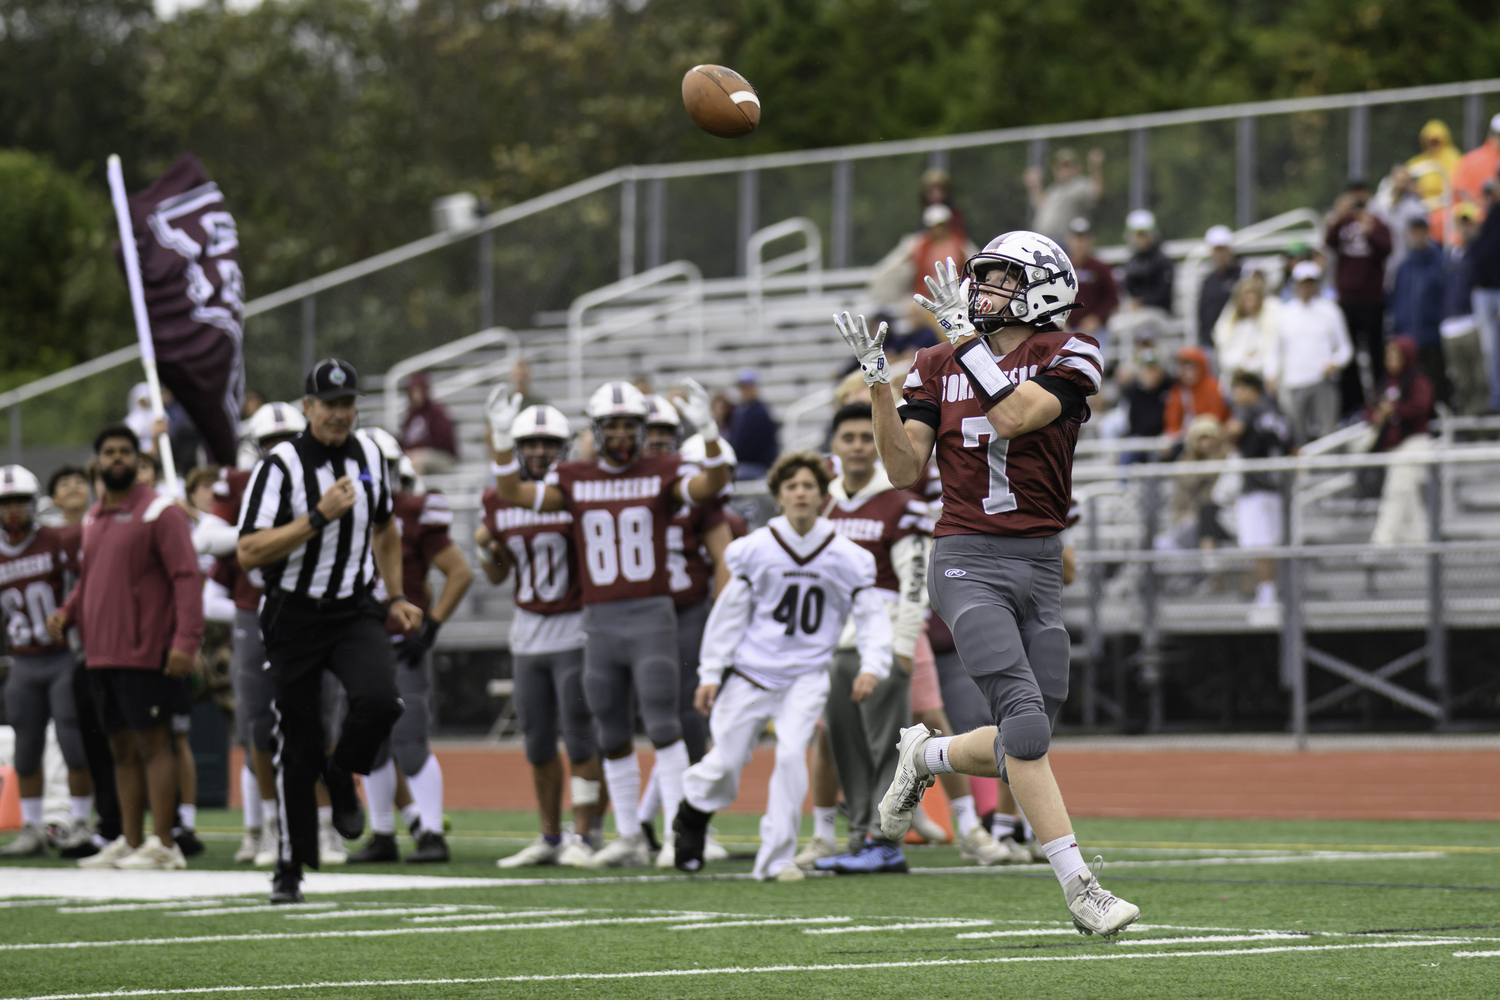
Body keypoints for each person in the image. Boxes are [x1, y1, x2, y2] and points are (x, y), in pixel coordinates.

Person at [837, 229, 1138, 936]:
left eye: (1002, 280)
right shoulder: (937, 362)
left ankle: (928, 753)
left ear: (1044, 290)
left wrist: (966, 342)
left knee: (1025, 734)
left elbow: (1012, 416)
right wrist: (880, 384)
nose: (984, 291)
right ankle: (1082, 889)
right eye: (986, 278)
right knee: (1026, 727)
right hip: (967, 556)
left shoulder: (1071, 351)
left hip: (1038, 562)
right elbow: (906, 470)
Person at [486, 378, 731, 869]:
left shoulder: (663, 468)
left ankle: (681, 835)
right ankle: (629, 834)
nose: (621, 434)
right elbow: (511, 490)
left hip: (650, 615)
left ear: (643, 429)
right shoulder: (575, 476)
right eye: (612, 425)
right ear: (595, 430)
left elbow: (712, 484)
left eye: (629, 425)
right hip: (598, 620)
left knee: (663, 724)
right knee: (610, 729)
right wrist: (498, 440)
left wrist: (707, 431)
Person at [236, 359, 422, 903]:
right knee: (298, 742)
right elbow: (249, 551)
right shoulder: (281, 465)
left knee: (383, 701)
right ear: (307, 407)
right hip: (292, 612)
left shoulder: (369, 453)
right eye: (329, 404)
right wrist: (317, 518)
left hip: (352, 608)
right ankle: (290, 865)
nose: (340, 414)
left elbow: (386, 526)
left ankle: (341, 775)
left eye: (347, 404)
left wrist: (397, 595)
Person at [670, 452, 891, 881]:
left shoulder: (847, 555)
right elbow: (729, 614)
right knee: (725, 765)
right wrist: (711, 672)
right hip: (753, 671)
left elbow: (870, 616)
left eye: (809, 485)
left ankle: (775, 860)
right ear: (778, 496)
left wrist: (873, 664)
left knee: (792, 756)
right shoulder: (753, 549)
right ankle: (692, 814)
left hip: (806, 675)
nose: (801, 493)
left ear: (821, 494)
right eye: (792, 487)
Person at [45, 424, 204, 871]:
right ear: (99, 462)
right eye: (109, 452)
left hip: (145, 652)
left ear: (137, 460)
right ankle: (130, 840)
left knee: (155, 745)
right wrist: (68, 612)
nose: (118, 458)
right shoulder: (94, 517)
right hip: (100, 653)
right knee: (120, 749)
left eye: (125, 452)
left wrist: (185, 641)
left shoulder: (160, 512)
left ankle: (164, 844)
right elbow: (91, 579)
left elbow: (187, 578)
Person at [793, 404, 926, 874]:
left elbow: (915, 578)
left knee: (889, 748)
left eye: (865, 437)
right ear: (832, 445)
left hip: (881, 641)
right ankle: (860, 837)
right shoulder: (819, 501)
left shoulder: (900, 501)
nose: (856, 446)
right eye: (847, 437)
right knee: (844, 747)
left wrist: (904, 642)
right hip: (833, 646)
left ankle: (887, 841)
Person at [481, 404, 605, 868]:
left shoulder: (575, 488)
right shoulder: (498, 499)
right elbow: (496, 575)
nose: (537, 452)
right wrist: (486, 549)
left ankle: (587, 834)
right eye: (529, 445)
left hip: (575, 629)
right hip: (527, 633)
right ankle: (550, 835)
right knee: (536, 742)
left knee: (580, 738)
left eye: (547, 444)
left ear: (562, 448)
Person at [349, 431, 473, 864]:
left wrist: (431, 626)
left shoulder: (414, 511)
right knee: (372, 742)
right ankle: (383, 833)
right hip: (358, 642)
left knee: (408, 738)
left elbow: (459, 572)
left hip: (400, 643)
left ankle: (433, 834)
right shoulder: (337, 512)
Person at [634, 396, 734, 859]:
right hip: (632, 614)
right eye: (647, 434)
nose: (654, 444)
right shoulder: (614, 483)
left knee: (686, 714)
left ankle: (692, 822)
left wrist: (719, 616)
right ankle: (635, 826)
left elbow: (722, 557)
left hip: (687, 610)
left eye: (661, 436)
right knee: (653, 720)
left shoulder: (687, 484)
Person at [212, 402, 308, 867]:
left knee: (319, 723)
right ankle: (268, 827)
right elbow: (209, 540)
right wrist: (265, 535)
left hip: (310, 611)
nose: (280, 451)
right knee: (258, 726)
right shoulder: (236, 483)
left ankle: (323, 828)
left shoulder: (320, 480)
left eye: (289, 440)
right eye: (271, 443)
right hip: (253, 614)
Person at [0, 466, 92, 859]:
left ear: (35, 502)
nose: (14, 511)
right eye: (6, 503)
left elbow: (86, 583)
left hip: (61, 658)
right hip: (21, 661)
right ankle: (34, 828)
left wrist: (69, 619)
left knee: (73, 744)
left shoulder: (58, 539)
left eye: (20, 501)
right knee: (26, 748)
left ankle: (82, 822)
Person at [1267, 261, 1354, 444]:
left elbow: (1345, 348)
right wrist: (1271, 375)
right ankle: (1304, 471)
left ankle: (1329, 470)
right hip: (1294, 382)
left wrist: (1335, 363)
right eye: (1302, 283)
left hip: (1322, 380)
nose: (1306, 287)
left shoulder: (1330, 311)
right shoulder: (1285, 313)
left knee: (1328, 431)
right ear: (1296, 285)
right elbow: (1275, 350)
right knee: (1296, 434)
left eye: (1310, 282)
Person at [1326, 179, 1393, 411]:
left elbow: (1387, 249)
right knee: (1349, 352)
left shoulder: (1377, 222)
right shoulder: (1342, 222)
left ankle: (1380, 396)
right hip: (1347, 298)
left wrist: (1371, 231)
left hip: (1372, 298)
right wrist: (1339, 216)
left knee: (1375, 351)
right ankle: (1354, 402)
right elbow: (1329, 242)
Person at [1225, 372, 1290, 607]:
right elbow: (1293, 446)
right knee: (1271, 543)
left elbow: (1233, 431)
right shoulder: (1276, 412)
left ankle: (1267, 595)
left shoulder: (1249, 409)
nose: (1235, 395)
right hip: (1278, 487)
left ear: (1251, 389)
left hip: (1255, 486)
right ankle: (1271, 591)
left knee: (1260, 544)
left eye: (1239, 389)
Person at [1367, 337, 1435, 548]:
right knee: (1408, 494)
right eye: (1388, 355)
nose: (1390, 360)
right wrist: (1377, 415)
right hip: (1393, 445)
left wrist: (1395, 409)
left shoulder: (1418, 380)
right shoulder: (1386, 382)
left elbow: (1421, 408)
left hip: (1415, 441)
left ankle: (1382, 542)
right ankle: (1420, 540)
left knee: (1397, 489)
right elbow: (1370, 407)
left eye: (1395, 355)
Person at [1389, 217, 1450, 404]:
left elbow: (1445, 298)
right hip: (1409, 340)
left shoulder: (1440, 262)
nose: (1416, 235)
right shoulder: (1403, 267)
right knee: (1413, 386)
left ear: (1427, 232)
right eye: (1413, 231)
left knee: (1437, 381)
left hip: (1432, 336)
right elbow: (1396, 301)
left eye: (1420, 230)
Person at [1025, 147, 1105, 247]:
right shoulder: (1054, 189)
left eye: (1068, 166)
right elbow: (1041, 205)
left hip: (1064, 243)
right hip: (1045, 241)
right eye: (1060, 167)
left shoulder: (1080, 185)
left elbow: (1097, 192)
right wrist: (1035, 186)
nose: (1064, 170)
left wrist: (1095, 167)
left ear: (1077, 167)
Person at [1213, 278, 1281, 387]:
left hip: (1259, 379)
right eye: (1246, 299)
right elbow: (1224, 356)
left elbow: (1267, 352)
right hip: (1235, 380)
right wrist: (1243, 359)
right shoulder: (1230, 324)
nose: (1250, 302)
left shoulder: (1267, 320)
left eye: (1252, 298)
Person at [1468, 183, 1500, 413]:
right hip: (1485, 292)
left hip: (1497, 291)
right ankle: (1495, 400)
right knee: (1489, 350)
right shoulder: (1490, 217)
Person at [1065, 219, 1119, 338]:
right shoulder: (1062, 268)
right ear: (1069, 240)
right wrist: (1060, 320)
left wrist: (1097, 318)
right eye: (1076, 238)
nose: (1079, 243)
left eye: (1083, 239)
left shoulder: (1099, 268)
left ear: (1091, 240)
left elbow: (1111, 297)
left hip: (1094, 329)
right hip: (1065, 327)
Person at [398, 372, 458, 475]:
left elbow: (443, 441)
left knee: (416, 461)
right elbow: (404, 440)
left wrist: (417, 450)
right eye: (413, 391)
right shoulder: (410, 415)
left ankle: (416, 491)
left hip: (442, 456)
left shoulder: (436, 412)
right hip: (415, 455)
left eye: (419, 391)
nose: (416, 396)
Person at [1163, 346, 1229, 437]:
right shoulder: (1178, 390)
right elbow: (1172, 420)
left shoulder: (1214, 387)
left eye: (1191, 368)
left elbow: (1216, 417)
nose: (1187, 373)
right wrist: (1174, 433)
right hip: (1185, 438)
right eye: (1184, 368)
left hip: (1210, 436)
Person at [726, 369, 779, 479]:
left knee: (725, 477)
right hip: (746, 463)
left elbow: (751, 446)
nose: (745, 391)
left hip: (757, 465)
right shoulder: (743, 410)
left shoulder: (760, 412)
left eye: (748, 387)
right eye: (743, 387)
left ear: (755, 388)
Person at [1197, 226, 1241, 348]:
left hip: (1236, 340)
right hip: (1211, 343)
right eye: (1217, 250)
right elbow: (1202, 316)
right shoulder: (1208, 281)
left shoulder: (1242, 275)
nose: (1220, 254)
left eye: (1223, 249)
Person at [1122, 209, 1174, 313]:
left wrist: (1142, 302)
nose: (1141, 239)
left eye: (1143, 235)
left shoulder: (1162, 261)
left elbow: (1163, 294)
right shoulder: (1132, 261)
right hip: (1136, 312)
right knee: (1115, 323)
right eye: (1138, 235)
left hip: (1158, 312)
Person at [1406, 119, 1461, 210]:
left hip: (1445, 206)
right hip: (1419, 205)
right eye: (1428, 141)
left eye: (1435, 141)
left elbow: (1454, 184)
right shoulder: (1419, 159)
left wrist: (1425, 188)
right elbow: (1405, 174)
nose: (1432, 145)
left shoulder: (1453, 157)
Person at [1452, 114, 1500, 214]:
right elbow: (1460, 190)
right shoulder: (1471, 160)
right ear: (1492, 134)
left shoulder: (1470, 159)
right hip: (1475, 219)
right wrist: (1481, 208)